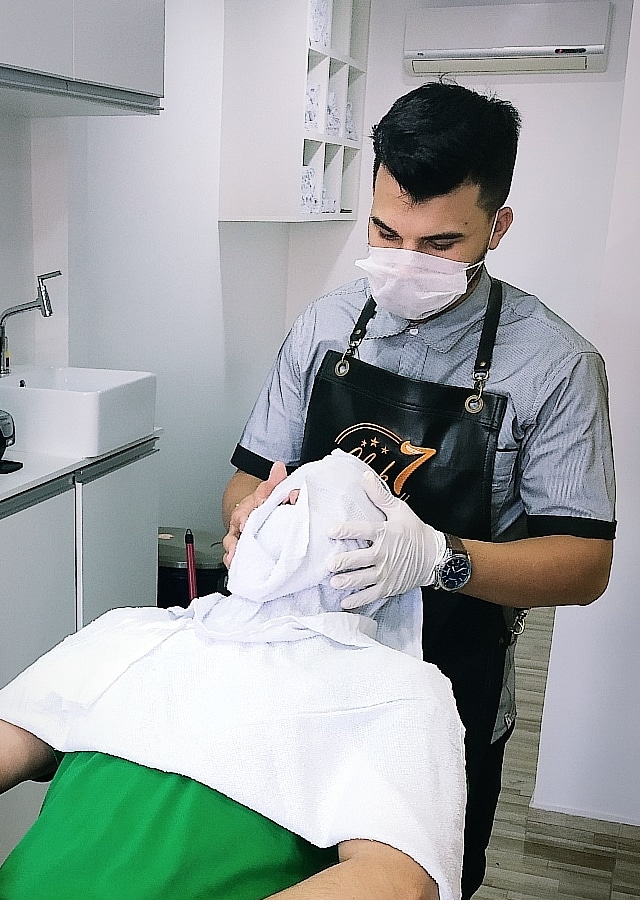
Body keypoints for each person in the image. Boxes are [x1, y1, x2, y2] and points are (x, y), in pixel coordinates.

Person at [223, 81, 616, 898]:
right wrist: (250, 519)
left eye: (439, 243)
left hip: (448, 694)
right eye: (384, 231)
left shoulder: (556, 365)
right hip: (305, 676)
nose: (403, 262)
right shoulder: (324, 327)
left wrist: (439, 559)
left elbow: (585, 566)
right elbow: (248, 478)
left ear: (497, 227)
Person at [0, 452, 466, 900]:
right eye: (286, 495)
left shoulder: (398, 691)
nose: (286, 502)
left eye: (321, 504)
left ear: (389, 557)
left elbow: (397, 882)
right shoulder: (132, 633)